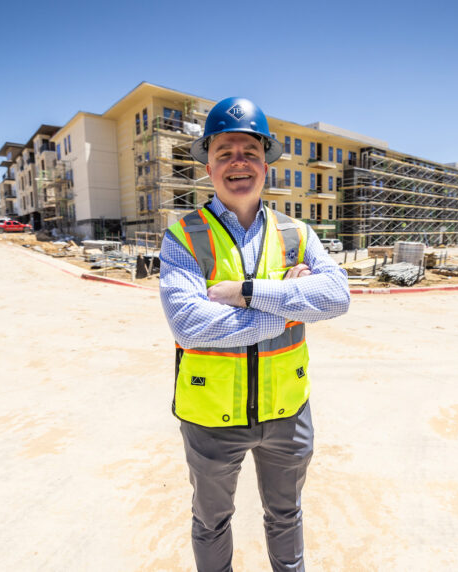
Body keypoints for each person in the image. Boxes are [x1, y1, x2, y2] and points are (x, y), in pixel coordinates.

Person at [159, 97, 350, 571]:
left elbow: (337, 297)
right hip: (209, 416)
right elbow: (191, 324)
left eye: (248, 151)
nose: (237, 162)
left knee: (286, 516)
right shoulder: (183, 235)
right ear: (208, 165)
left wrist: (245, 292)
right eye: (224, 152)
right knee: (211, 521)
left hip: (287, 410)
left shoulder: (298, 234)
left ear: (266, 163)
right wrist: (288, 305)